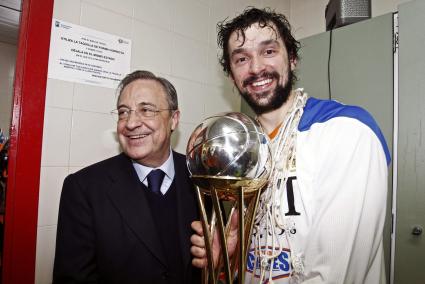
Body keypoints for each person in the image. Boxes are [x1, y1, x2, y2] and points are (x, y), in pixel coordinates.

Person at [190, 7, 390, 283]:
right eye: (241, 59)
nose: (256, 67)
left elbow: (334, 276)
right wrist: (228, 259)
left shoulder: (346, 131)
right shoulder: (245, 155)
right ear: (232, 78)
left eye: (268, 51)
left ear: (293, 59)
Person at [53, 70, 201, 283]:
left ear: (174, 119)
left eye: (146, 110)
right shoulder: (83, 188)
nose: (130, 123)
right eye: (123, 112)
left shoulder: (201, 177)